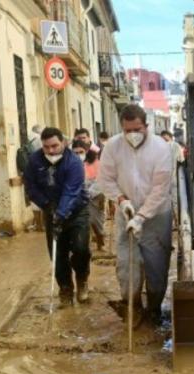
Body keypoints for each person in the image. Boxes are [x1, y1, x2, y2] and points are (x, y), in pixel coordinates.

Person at [97, 104, 173, 326]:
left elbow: (161, 189)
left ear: (146, 126)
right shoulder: (112, 147)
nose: (133, 135)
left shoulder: (161, 148)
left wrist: (142, 217)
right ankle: (133, 307)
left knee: (157, 269)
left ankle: (155, 309)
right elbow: (105, 179)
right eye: (128, 130)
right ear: (122, 128)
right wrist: (121, 200)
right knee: (126, 267)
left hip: (157, 216)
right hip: (126, 213)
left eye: (137, 129)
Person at [23, 127, 91, 306]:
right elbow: (30, 186)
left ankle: (82, 280)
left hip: (77, 211)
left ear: (64, 143)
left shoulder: (74, 162)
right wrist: (45, 204)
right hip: (50, 210)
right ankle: (65, 289)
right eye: (47, 147)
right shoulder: (34, 161)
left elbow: (71, 191)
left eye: (55, 146)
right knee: (57, 253)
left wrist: (61, 214)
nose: (51, 151)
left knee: (80, 249)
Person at [72, 140, 105, 252]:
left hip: (94, 195)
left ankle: (100, 239)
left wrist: (88, 193)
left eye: (80, 152)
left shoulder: (95, 162)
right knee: (82, 222)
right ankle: (85, 247)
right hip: (78, 197)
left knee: (95, 220)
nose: (78, 155)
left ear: (86, 151)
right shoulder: (69, 164)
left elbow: (101, 180)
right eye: (75, 153)